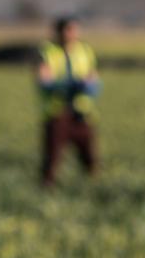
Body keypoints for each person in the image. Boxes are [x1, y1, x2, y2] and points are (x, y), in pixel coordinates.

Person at [35, 15, 100, 186]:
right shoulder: (47, 52)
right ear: (58, 32)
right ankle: (47, 189)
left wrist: (89, 87)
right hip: (58, 112)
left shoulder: (85, 51)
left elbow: (93, 79)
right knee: (52, 158)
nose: (70, 34)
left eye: (73, 29)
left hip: (82, 112)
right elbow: (43, 81)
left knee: (90, 157)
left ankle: (92, 187)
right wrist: (70, 86)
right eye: (67, 30)